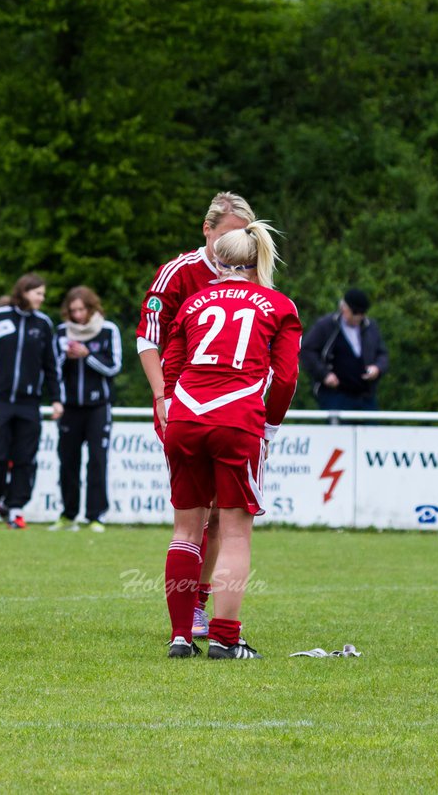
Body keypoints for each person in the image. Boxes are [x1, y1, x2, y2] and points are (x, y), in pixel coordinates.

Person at [161, 221, 302, 659]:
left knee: (187, 528)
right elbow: (286, 377)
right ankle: (224, 636)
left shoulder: (194, 301)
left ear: (217, 259)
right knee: (236, 532)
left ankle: (182, 636)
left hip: (185, 415)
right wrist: (271, 425)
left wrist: (173, 407)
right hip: (237, 417)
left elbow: (172, 364)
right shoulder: (279, 305)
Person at [136, 191, 255, 638]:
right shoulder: (179, 273)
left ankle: (200, 606)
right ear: (207, 230)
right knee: (197, 513)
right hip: (184, 404)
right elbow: (147, 339)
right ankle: (187, 615)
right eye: (228, 235)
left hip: (234, 407)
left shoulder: (251, 273)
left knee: (225, 514)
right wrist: (163, 395)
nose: (235, 246)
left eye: (243, 236)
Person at [0, 273, 63, 530]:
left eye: (43, 294)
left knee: (25, 458)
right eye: (38, 293)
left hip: (29, 404)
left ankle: (15, 509)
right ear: (24, 292)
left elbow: (51, 365)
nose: (41, 299)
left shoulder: (43, 324)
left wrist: (56, 399)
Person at [50, 286, 121, 532]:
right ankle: (68, 515)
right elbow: (53, 370)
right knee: (68, 461)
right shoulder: (61, 332)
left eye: (81, 310)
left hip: (98, 407)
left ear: (91, 308)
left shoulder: (108, 330)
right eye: (73, 311)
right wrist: (65, 357)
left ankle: (96, 516)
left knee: (97, 461)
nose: (77, 315)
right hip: (70, 407)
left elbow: (113, 368)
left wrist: (87, 355)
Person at [299, 288, 388, 411]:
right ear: (344, 308)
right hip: (335, 395)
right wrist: (324, 374)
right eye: (355, 313)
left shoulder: (370, 327)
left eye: (362, 314)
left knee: (371, 429)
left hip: (366, 396)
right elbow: (307, 351)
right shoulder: (326, 325)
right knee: (338, 430)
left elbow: (382, 354)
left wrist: (377, 368)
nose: (359, 317)